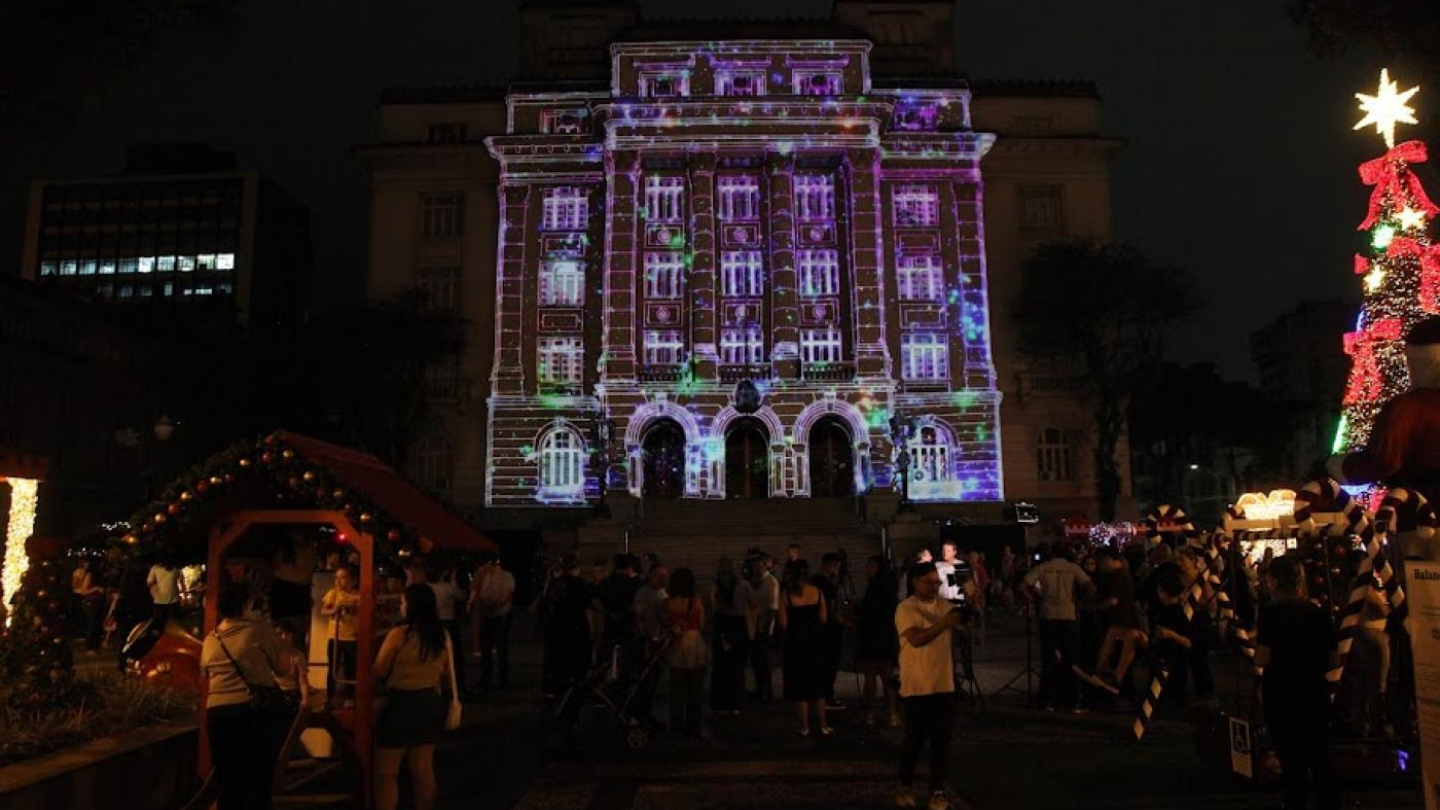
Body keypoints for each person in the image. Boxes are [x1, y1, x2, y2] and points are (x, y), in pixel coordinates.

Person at [1256, 555, 1340, 810]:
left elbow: (1263, 657)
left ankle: (1296, 802)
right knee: (1319, 754)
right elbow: (1333, 657)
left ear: (1274, 581)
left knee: (1291, 758)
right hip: (1313, 689)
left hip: (1282, 691)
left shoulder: (1271, 614)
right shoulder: (1318, 612)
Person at [201, 583, 294, 810]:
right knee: (258, 775)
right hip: (253, 710)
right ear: (246, 605)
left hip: (217, 711)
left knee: (227, 776)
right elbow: (284, 669)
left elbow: (204, 673)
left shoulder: (211, 639)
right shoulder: (259, 630)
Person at [374, 584, 453, 810]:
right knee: (423, 770)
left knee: (386, 772)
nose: (401, 606)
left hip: (401, 704)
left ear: (411, 606)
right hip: (430, 703)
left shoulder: (399, 635)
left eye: (402, 602)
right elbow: (445, 671)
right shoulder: (441, 635)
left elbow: (379, 670)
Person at [894, 562, 963, 810]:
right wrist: (945, 624)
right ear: (915, 582)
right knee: (914, 741)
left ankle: (937, 791)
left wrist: (972, 604)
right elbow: (916, 639)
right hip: (917, 685)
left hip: (943, 684)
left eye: (937, 582)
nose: (934, 586)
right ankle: (904, 785)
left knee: (941, 744)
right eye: (928, 582)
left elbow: (966, 622)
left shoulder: (945, 606)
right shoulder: (905, 608)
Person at [1022, 542, 1092, 713]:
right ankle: (1072, 700)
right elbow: (1090, 587)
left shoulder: (1043, 568)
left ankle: (1048, 700)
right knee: (1071, 659)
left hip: (1048, 615)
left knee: (1049, 659)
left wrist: (1035, 599)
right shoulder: (1073, 568)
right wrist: (1079, 603)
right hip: (1068, 615)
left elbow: (1023, 585)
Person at [1077, 547, 1145, 696]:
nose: (1099, 566)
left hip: (1122, 622)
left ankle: (1118, 690)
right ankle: (1118, 688)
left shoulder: (1118, 576)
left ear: (1107, 559)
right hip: (1122, 622)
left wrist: (1094, 607)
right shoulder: (1121, 575)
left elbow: (1112, 601)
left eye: (1100, 562)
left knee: (1116, 660)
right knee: (1116, 660)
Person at [778, 559, 830, 736]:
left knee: (800, 688)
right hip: (815, 644)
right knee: (818, 687)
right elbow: (824, 619)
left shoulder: (785, 595)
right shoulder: (817, 592)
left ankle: (804, 726)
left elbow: (783, 623)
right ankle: (823, 724)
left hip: (795, 645)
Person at [857, 555, 901, 728]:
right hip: (885, 636)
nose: (868, 569)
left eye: (872, 566)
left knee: (872, 676)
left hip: (873, 636)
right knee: (886, 677)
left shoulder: (876, 588)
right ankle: (892, 713)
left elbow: (870, 613)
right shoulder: (889, 588)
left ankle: (870, 713)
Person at [663, 567, 707, 737]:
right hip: (695, 645)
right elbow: (702, 624)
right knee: (695, 691)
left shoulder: (667, 603)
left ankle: (676, 727)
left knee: (677, 692)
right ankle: (693, 727)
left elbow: (666, 624)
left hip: (677, 647)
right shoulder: (696, 602)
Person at [540, 555, 591, 699]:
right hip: (575, 626)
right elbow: (587, 608)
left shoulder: (555, 584)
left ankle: (553, 688)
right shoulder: (580, 584)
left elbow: (547, 602)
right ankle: (572, 687)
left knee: (556, 659)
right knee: (575, 659)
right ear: (577, 568)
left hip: (556, 627)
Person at [709, 558, 754, 716]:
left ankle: (720, 703)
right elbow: (752, 604)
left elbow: (713, 606)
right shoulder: (743, 585)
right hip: (739, 626)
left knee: (720, 667)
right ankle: (736, 703)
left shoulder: (716, 586)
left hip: (722, 625)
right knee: (737, 667)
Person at [1173, 546, 1216, 705]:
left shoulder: (1201, 579)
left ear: (1192, 561)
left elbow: (1212, 604)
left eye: (1182, 560)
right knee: (1182, 659)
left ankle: (1205, 694)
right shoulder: (1178, 578)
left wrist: (1194, 601)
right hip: (1183, 622)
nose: (1180, 564)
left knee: (1199, 660)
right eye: (1178, 560)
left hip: (1199, 622)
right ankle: (1181, 694)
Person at [811, 552, 850, 710]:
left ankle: (818, 695)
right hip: (829, 631)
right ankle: (827, 696)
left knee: (820, 664)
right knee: (829, 664)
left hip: (815, 629)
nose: (838, 571)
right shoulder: (827, 585)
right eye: (837, 567)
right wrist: (846, 623)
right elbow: (832, 611)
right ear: (830, 565)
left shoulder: (813, 582)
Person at [320, 564, 360, 701]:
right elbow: (323, 611)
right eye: (336, 577)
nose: (338, 581)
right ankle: (330, 696)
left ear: (353, 580)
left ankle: (350, 697)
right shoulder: (333, 594)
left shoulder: (358, 596)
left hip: (352, 637)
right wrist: (335, 609)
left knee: (350, 668)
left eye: (343, 578)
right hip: (335, 636)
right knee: (333, 667)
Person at [427, 565, 468, 696]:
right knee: (454, 654)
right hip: (449, 621)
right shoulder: (448, 588)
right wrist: (454, 580)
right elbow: (461, 596)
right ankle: (457, 685)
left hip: (435, 621)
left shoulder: (428, 588)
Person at [748, 553, 780, 703]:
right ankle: (760, 688)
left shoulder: (771, 582)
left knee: (764, 660)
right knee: (757, 660)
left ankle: (766, 690)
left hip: (764, 628)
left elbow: (773, 608)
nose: (754, 568)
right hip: (754, 626)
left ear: (763, 565)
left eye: (756, 565)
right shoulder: (756, 581)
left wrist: (767, 629)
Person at [72, 558, 106, 655]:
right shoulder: (88, 575)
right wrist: (96, 589)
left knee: (96, 624)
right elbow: (83, 591)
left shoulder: (89, 575)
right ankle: (89, 647)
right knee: (92, 624)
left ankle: (94, 646)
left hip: (95, 602)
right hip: (90, 602)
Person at [147, 558, 182, 625]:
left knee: (172, 624)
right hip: (161, 601)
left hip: (172, 601)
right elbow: (149, 583)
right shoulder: (155, 568)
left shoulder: (176, 569)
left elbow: (181, 582)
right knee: (162, 624)